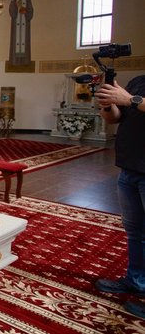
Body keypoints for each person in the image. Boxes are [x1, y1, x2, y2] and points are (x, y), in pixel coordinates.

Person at [94, 75, 145, 317]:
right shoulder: (139, 81)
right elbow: (116, 119)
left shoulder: (133, 92)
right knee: (135, 231)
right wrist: (108, 105)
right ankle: (136, 280)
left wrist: (130, 99)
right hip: (130, 167)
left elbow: (132, 103)